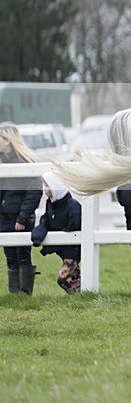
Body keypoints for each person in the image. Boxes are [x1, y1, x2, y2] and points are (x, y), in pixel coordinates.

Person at [0, 122, 43, 295]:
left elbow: (34, 192)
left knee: (22, 255)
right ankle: (14, 294)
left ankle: (25, 294)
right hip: (4, 216)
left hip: (20, 217)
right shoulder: (2, 162)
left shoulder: (25, 161)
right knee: (10, 256)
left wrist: (22, 217)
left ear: (7, 140)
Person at [31, 172, 82, 293]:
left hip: (72, 251)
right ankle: (80, 294)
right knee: (74, 275)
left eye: (48, 186)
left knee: (61, 279)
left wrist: (52, 245)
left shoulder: (73, 206)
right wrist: (38, 234)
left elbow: (75, 226)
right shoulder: (51, 205)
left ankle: (75, 293)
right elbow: (46, 220)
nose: (45, 190)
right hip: (63, 251)